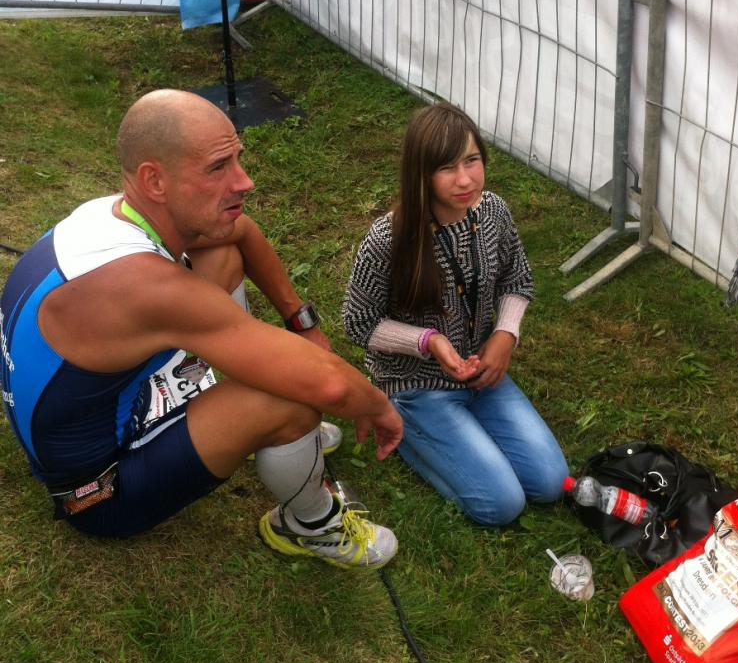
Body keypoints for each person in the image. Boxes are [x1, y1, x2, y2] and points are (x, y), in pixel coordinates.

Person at [0, 88, 402, 570]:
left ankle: (249, 424)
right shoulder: (144, 286)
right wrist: (378, 406)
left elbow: (242, 233)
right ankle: (309, 525)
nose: (245, 181)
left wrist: (300, 321)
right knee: (292, 400)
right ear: (155, 180)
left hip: (99, 408)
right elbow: (331, 385)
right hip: (97, 492)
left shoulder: (109, 215)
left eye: (238, 159)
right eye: (218, 167)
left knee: (221, 252)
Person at [342, 102, 567, 526]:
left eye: (472, 160)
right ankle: (405, 426)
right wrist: (429, 342)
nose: (465, 180)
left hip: (482, 373)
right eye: (447, 168)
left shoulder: (493, 212)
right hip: (417, 383)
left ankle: (463, 435)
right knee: (501, 505)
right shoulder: (389, 239)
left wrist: (505, 335)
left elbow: (516, 277)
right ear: (421, 174)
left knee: (551, 483)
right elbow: (358, 321)